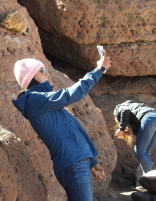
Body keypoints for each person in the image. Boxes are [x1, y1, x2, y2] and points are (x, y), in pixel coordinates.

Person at [12, 51, 111, 201]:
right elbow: (70, 94)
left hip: (77, 162)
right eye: (42, 70)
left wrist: (91, 161)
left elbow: (71, 132)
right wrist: (99, 70)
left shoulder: (45, 102)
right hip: (72, 165)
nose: (47, 74)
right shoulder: (34, 100)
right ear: (31, 77)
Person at [113, 100, 156, 175]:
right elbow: (143, 129)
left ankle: (151, 181)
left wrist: (121, 128)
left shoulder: (120, 108)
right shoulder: (135, 106)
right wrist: (133, 132)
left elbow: (125, 110)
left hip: (149, 119)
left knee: (139, 152)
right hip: (153, 117)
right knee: (146, 152)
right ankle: (151, 179)